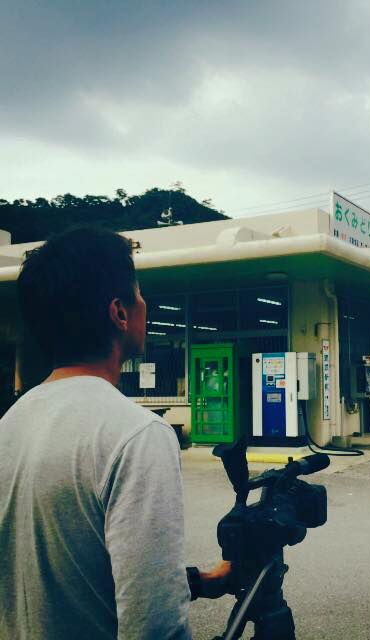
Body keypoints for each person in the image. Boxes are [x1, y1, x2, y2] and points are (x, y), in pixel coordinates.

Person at [0, 227, 231, 640]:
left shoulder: (10, 424)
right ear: (119, 313)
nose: (145, 304)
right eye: (138, 293)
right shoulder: (137, 434)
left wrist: (200, 581)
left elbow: (66, 576)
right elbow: (154, 623)